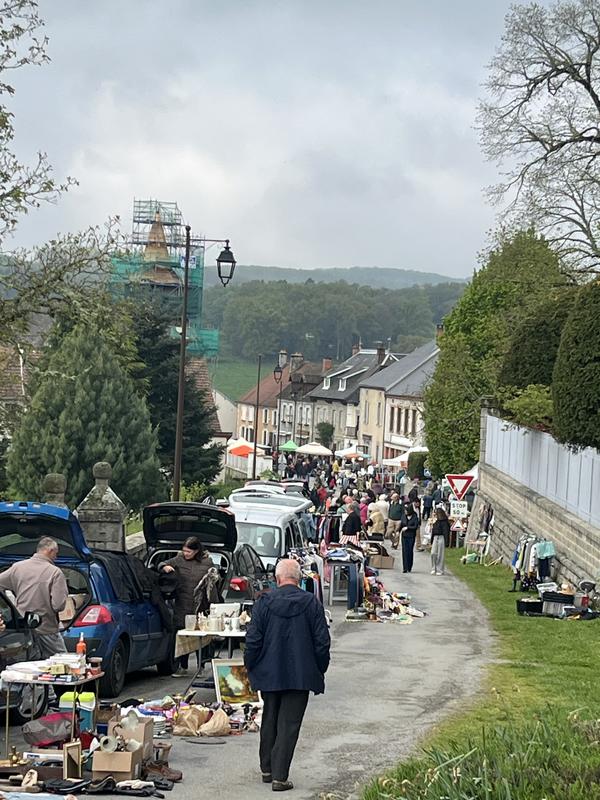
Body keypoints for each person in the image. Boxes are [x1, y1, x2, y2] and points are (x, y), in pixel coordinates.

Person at [245, 559, 330, 792]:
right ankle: (280, 777)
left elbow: (253, 640)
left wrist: (250, 666)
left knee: (270, 718)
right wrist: (319, 668)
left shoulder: (264, 602)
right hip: (300, 673)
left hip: (269, 671)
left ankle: (267, 769)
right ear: (299, 578)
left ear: (277, 578)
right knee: (289, 724)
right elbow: (322, 642)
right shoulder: (311, 603)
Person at [0, 537, 68, 658]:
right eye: (56, 554)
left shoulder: (17, 567)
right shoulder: (55, 573)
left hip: (23, 628)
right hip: (46, 628)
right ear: (50, 551)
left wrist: (7, 608)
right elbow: (58, 605)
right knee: (62, 661)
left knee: (27, 663)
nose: (56, 557)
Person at [160, 536, 213, 675]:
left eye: (189, 551)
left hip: (200, 606)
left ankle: (201, 667)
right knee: (183, 635)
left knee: (201, 636)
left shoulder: (207, 563)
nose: (186, 554)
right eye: (184, 551)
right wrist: (165, 567)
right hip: (182, 604)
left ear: (196, 551)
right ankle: (183, 666)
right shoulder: (179, 560)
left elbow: (212, 582)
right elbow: (161, 564)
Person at [431, 507, 450, 576]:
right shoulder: (436, 521)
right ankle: (434, 568)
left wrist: (446, 542)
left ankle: (440, 569)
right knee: (433, 553)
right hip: (435, 537)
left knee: (440, 554)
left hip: (441, 537)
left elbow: (446, 532)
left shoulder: (444, 522)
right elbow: (433, 531)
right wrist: (431, 540)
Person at [401, 505, 419, 573]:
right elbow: (401, 524)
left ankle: (409, 566)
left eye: (406, 511)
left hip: (411, 536)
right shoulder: (403, 516)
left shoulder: (415, 517)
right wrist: (397, 532)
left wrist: (408, 527)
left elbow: (415, 526)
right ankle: (405, 567)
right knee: (404, 551)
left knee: (410, 551)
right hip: (404, 536)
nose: (405, 512)